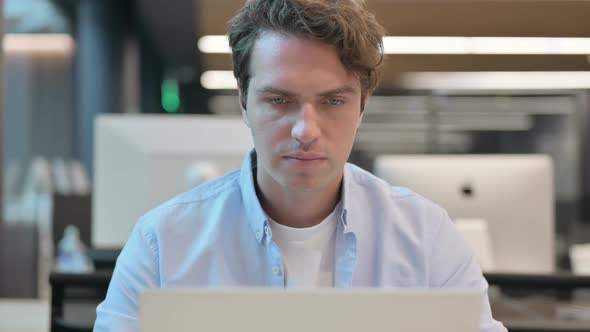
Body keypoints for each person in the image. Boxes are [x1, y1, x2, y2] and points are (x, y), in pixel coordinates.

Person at [94, 0, 507, 331]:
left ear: (362, 107)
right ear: (244, 102)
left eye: (333, 101)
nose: (305, 130)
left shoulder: (428, 237)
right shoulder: (162, 242)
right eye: (278, 100)